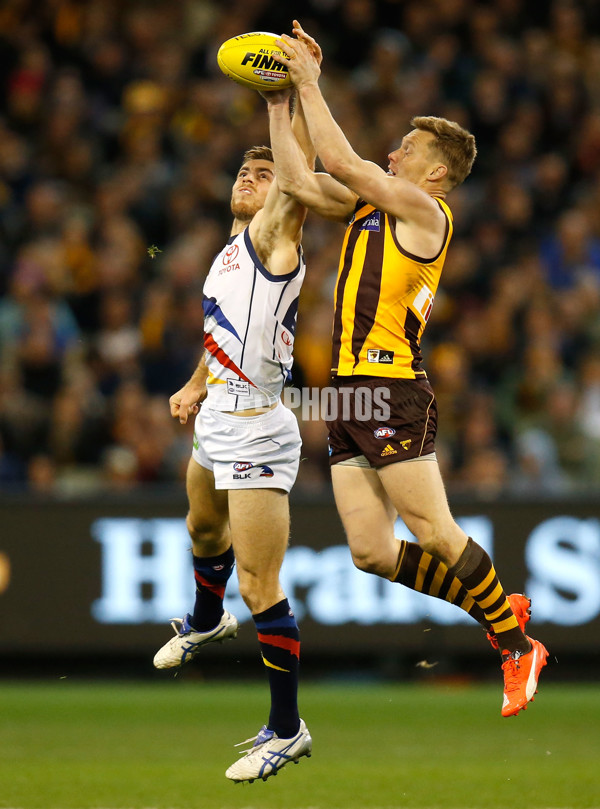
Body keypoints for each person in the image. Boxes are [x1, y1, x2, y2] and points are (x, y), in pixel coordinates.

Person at [264, 20, 548, 718]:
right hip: (349, 396)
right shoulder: (372, 205)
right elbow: (300, 177)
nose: (394, 151)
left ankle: (517, 646)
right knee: (369, 551)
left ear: (436, 172)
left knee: (436, 531)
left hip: (391, 388)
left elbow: (342, 157)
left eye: (409, 147)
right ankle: (495, 607)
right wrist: (279, 101)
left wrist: (310, 80)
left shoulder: (427, 212)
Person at [153, 135, 313, 782]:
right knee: (202, 528)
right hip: (218, 410)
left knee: (259, 584)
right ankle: (204, 618)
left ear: (285, 190)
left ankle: (287, 728)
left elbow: (292, 179)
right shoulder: (228, 254)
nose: (251, 174)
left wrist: (289, 100)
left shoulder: (276, 238)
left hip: (256, 428)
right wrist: (196, 382)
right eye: (245, 168)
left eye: (266, 171)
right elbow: (224, 329)